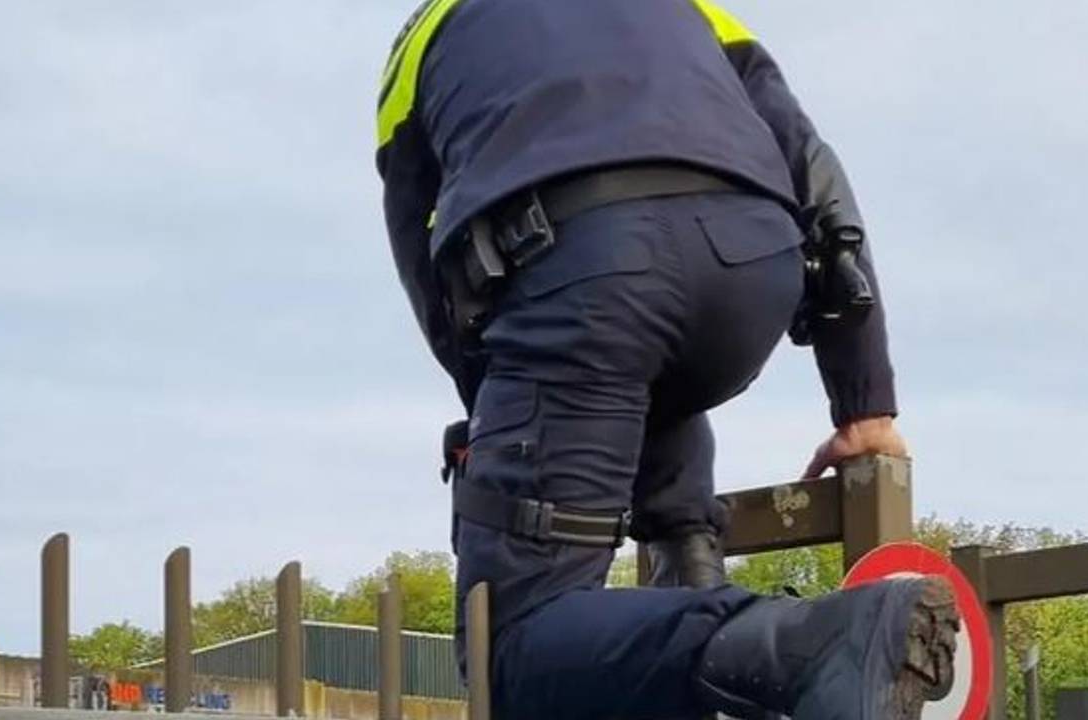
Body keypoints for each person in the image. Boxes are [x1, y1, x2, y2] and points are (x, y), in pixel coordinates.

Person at [375, 1, 959, 718]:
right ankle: (690, 556)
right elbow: (816, 173)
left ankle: (808, 644)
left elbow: (429, 271)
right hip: (753, 270)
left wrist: (494, 419)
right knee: (647, 384)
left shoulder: (426, 35)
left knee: (513, 643)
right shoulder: (692, 11)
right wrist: (864, 403)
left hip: (579, 273)